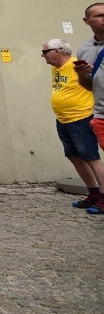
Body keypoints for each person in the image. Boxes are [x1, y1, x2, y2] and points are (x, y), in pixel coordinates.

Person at [41, 38, 104, 215]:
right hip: (63, 119)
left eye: (45, 52)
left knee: (91, 157)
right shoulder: (56, 68)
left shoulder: (77, 65)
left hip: (81, 117)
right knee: (74, 156)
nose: (43, 55)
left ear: (57, 51)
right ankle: (92, 193)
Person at [76, 3, 104, 163]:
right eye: (99, 16)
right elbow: (89, 86)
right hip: (101, 114)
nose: (103, 19)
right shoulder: (84, 49)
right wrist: (82, 75)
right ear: (86, 21)